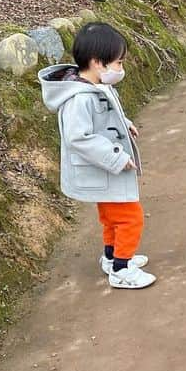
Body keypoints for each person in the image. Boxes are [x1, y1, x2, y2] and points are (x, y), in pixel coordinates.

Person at [39, 22, 155, 289]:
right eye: (118, 63)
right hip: (105, 167)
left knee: (112, 217)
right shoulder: (79, 98)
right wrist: (115, 157)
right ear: (97, 63)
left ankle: (112, 256)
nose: (121, 69)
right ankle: (122, 270)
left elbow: (106, 114)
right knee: (129, 217)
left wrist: (124, 122)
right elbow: (79, 137)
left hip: (106, 170)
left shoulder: (96, 86)